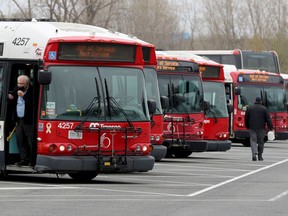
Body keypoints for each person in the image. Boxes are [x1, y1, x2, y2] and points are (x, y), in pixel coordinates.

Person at [8, 75, 34, 166]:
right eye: (18, 83)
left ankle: (32, 160)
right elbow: (13, 92)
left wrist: (24, 96)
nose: (19, 85)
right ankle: (24, 159)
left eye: (21, 84)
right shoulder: (18, 87)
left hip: (28, 121)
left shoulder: (32, 90)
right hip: (19, 120)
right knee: (20, 140)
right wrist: (10, 94)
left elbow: (33, 103)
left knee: (30, 140)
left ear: (27, 84)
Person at [244, 97, 273, 161]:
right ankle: (260, 156)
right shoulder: (264, 109)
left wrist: (247, 126)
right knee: (260, 142)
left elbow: (246, 118)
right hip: (261, 128)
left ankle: (254, 153)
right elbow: (268, 119)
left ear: (255, 101)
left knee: (253, 140)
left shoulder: (250, 108)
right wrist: (270, 128)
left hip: (252, 127)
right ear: (261, 102)